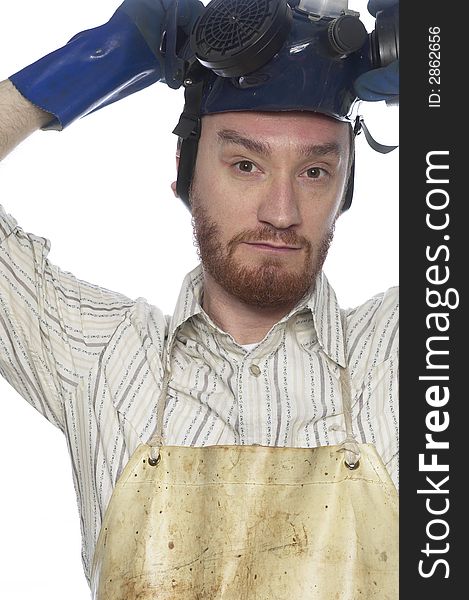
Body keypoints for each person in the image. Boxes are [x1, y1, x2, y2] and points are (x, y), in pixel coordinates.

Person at [0, 0, 399, 598]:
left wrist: (443, 60)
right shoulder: (100, 356)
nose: (281, 213)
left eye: (315, 172)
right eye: (245, 164)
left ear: (346, 188)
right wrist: (85, 66)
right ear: (184, 172)